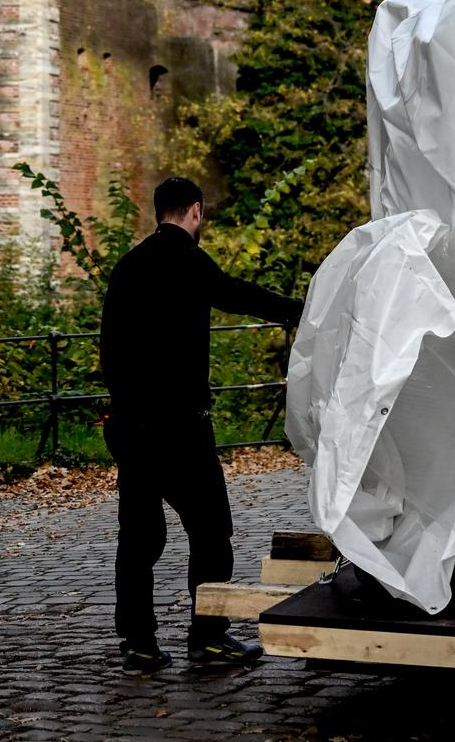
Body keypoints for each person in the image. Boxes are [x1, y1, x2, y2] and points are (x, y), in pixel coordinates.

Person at [99, 177, 304, 676]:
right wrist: (304, 310)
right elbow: (240, 295)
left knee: (139, 538)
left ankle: (139, 644)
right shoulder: (188, 260)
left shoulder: (127, 267)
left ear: (157, 211)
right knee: (212, 531)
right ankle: (208, 638)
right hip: (181, 426)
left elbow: (108, 352)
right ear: (195, 210)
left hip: (131, 425)